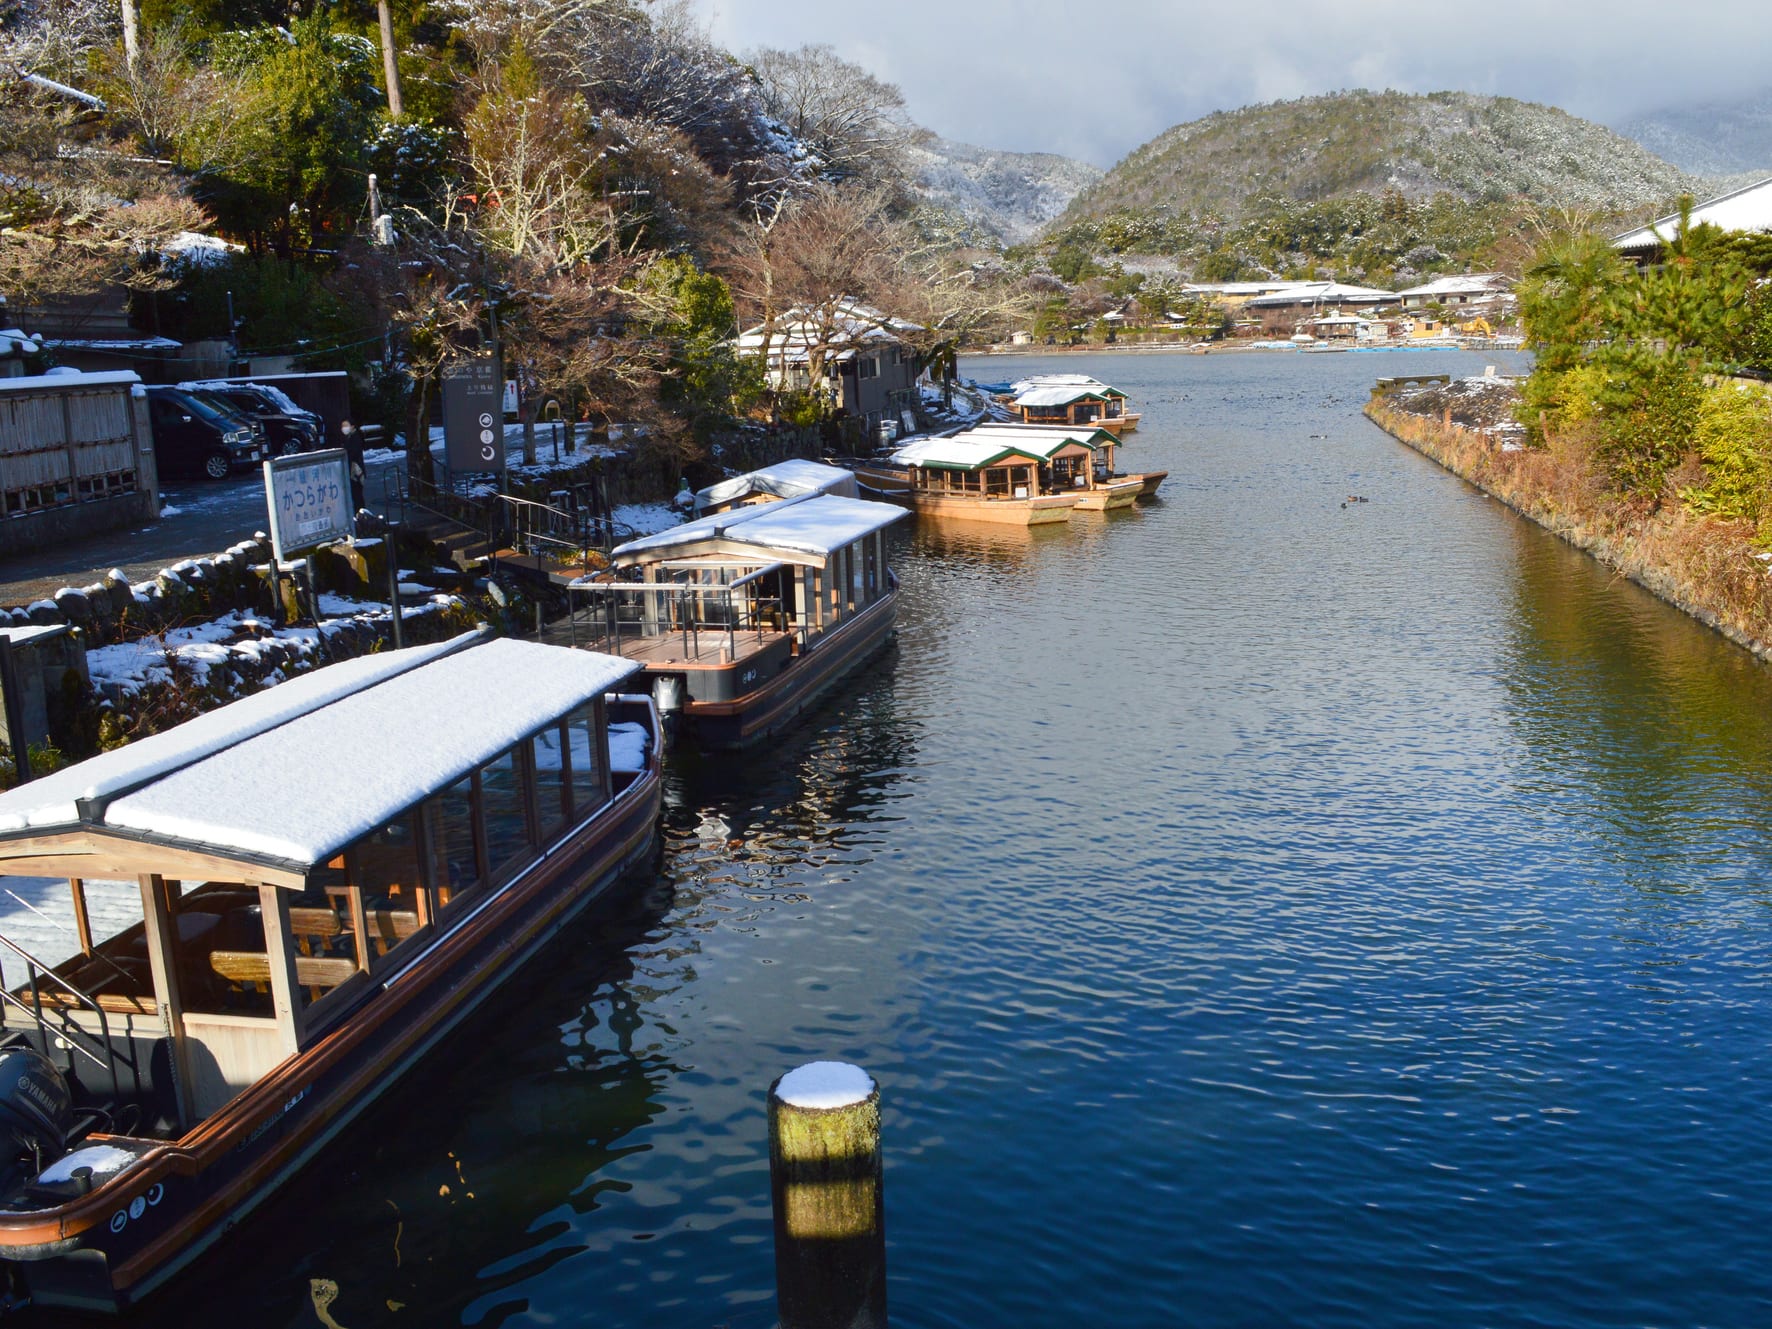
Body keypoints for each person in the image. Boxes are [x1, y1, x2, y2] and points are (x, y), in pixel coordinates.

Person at [340, 419, 366, 510]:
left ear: (353, 426)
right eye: (343, 426)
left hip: (356, 470)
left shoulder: (355, 437)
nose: (344, 428)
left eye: (346, 425)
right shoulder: (349, 437)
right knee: (356, 496)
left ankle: (360, 515)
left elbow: (354, 453)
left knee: (357, 495)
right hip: (353, 470)